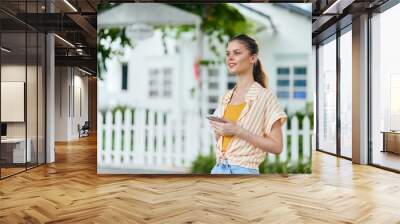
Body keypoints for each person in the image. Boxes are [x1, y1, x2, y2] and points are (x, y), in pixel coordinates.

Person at [209, 34, 287, 175]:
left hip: (244, 171)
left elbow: (277, 146)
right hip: (218, 168)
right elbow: (221, 139)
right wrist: (219, 130)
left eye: (237, 53)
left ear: (252, 58)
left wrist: (238, 131)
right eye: (228, 54)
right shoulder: (226, 97)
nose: (230, 58)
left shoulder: (265, 97)